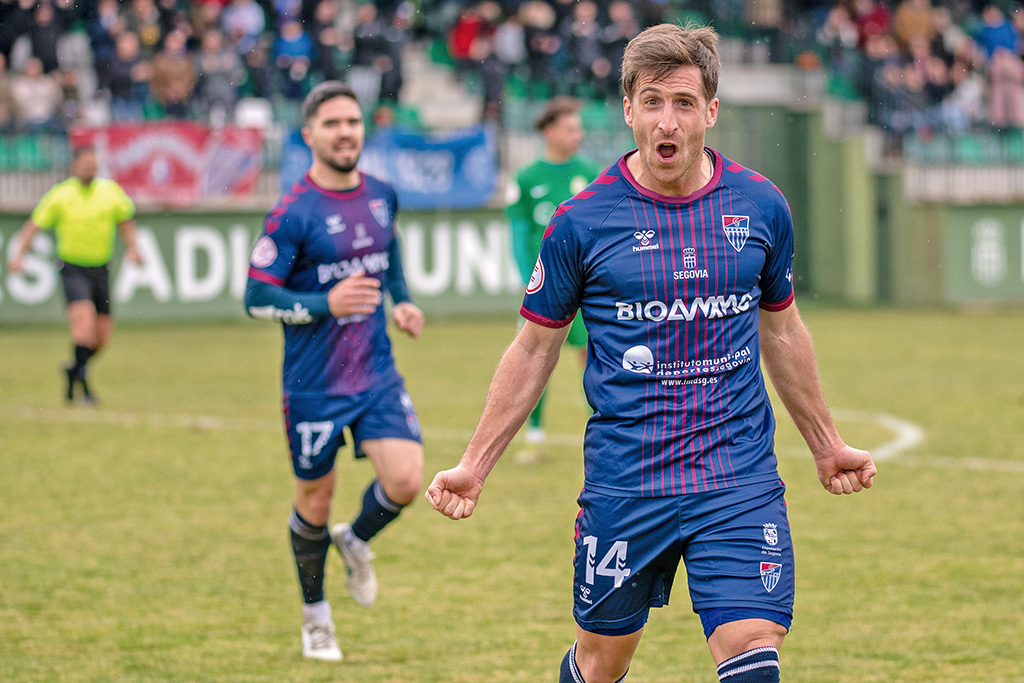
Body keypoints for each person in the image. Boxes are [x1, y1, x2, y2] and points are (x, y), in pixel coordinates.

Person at [426, 23, 877, 683]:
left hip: (737, 478)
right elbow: (533, 350)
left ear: (711, 112)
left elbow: (782, 331)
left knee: (753, 647)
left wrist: (826, 443)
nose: (670, 120)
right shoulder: (582, 222)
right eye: (655, 101)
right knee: (603, 661)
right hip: (628, 482)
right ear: (630, 109)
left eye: (686, 103)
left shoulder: (759, 205)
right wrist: (476, 463)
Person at [244, 80, 425, 662]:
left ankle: (357, 538)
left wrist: (400, 299)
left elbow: (388, 255)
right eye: (332, 124)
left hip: (374, 373)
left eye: (352, 121)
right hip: (313, 385)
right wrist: (326, 304)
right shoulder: (293, 213)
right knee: (314, 502)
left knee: (405, 480)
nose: (345, 131)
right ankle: (315, 616)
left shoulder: (382, 194)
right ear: (310, 135)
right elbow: (254, 296)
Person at [505, 96, 603, 461]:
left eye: (579, 129)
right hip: (544, 287)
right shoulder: (526, 178)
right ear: (549, 131)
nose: (577, 135)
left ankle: (604, 432)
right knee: (534, 357)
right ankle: (535, 436)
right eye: (570, 128)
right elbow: (518, 233)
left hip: (587, 286)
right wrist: (524, 278)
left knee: (593, 356)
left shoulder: (593, 173)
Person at [7, 145, 141, 404]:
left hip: (100, 269)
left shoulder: (110, 192)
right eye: (86, 165)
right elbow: (33, 226)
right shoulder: (60, 195)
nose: (91, 169)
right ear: (74, 166)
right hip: (72, 269)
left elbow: (125, 221)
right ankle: (84, 387)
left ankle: (73, 370)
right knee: (84, 325)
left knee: (101, 338)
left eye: (94, 166)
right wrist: (18, 256)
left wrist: (133, 249)